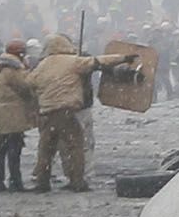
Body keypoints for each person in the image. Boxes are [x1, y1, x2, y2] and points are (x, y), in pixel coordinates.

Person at [26, 34, 133, 193]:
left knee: (45, 149)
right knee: (75, 146)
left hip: (47, 114)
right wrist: (123, 58)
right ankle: (77, 181)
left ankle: (42, 182)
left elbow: (29, 82)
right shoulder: (72, 62)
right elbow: (98, 62)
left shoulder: (42, 65)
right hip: (67, 112)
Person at [0, 41, 36, 192]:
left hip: (0, 112)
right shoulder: (12, 70)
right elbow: (26, 87)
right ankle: (15, 181)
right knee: (14, 148)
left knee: (0, 148)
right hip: (13, 112)